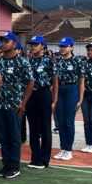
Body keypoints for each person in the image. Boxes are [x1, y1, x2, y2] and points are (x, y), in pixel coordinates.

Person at [0, 32, 33, 179]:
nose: (2, 44)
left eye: (6, 41)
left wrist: (23, 103)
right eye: (1, 41)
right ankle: (6, 165)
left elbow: (30, 82)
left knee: (14, 137)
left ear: (14, 44)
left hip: (14, 105)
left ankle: (14, 167)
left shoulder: (22, 62)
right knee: (3, 136)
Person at [26, 35, 58, 167]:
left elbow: (55, 81)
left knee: (45, 127)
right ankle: (35, 158)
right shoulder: (27, 61)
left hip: (44, 93)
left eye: (35, 44)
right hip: (31, 95)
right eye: (31, 44)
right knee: (33, 128)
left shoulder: (49, 61)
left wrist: (54, 100)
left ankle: (45, 159)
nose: (32, 47)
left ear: (43, 46)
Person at [54, 37, 84, 161]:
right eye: (61, 46)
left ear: (71, 47)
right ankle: (63, 148)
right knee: (60, 122)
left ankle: (68, 149)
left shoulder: (77, 61)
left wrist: (80, 99)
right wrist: (55, 98)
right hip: (60, 90)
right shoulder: (58, 61)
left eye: (65, 46)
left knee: (68, 122)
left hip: (72, 90)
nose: (62, 48)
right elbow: (55, 80)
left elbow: (81, 81)